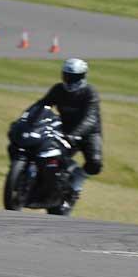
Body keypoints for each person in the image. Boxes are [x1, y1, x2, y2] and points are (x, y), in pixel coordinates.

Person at [30, 58, 103, 199]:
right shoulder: (58, 89)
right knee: (48, 154)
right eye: (67, 76)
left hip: (89, 132)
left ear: (82, 76)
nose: (69, 80)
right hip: (64, 129)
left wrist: (75, 134)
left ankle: (79, 178)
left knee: (95, 163)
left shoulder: (90, 93)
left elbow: (90, 118)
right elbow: (42, 104)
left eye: (74, 77)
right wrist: (29, 118)